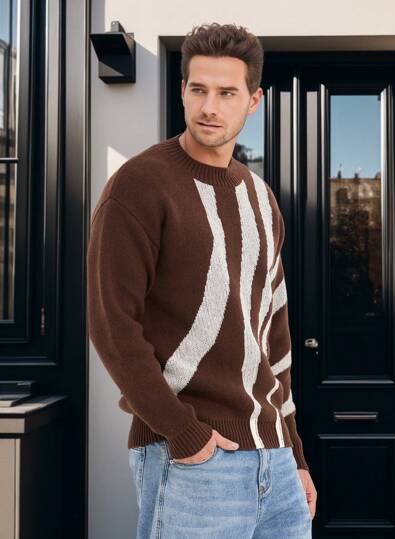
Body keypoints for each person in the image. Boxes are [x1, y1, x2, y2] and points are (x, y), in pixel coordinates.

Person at [87, 21, 317, 539]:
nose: (209, 107)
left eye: (227, 93)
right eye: (198, 89)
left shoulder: (261, 198)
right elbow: (112, 324)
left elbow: (274, 337)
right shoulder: (139, 185)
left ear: (253, 101)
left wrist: (295, 455)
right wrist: (184, 433)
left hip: (276, 460)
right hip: (195, 458)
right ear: (183, 91)